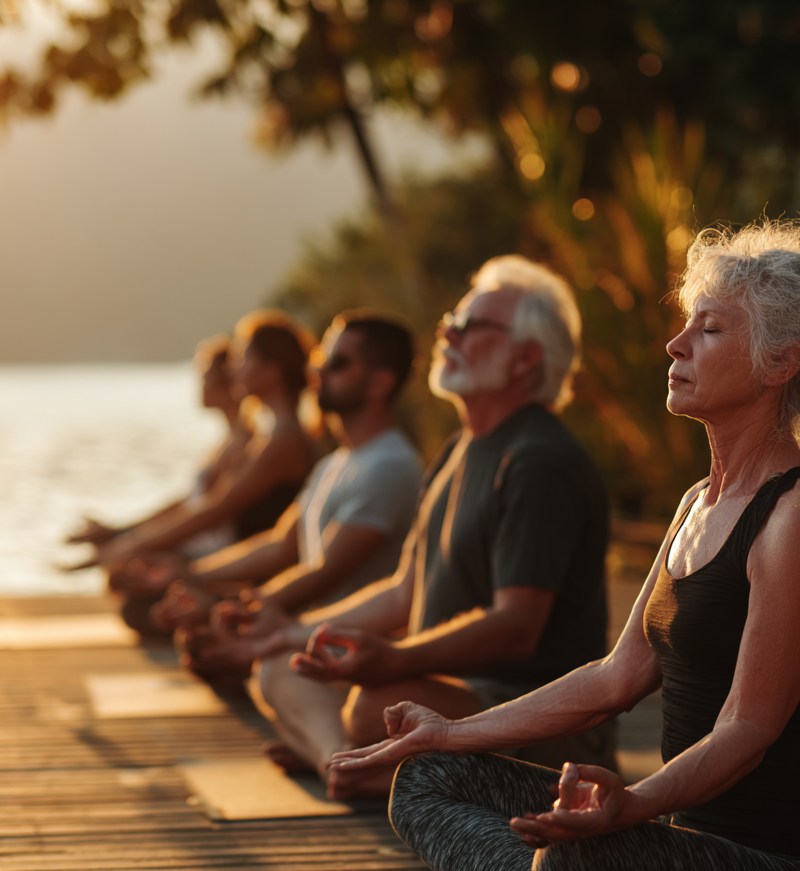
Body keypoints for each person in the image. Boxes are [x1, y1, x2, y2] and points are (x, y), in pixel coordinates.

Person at [326, 219, 800, 871]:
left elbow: (747, 729)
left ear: (780, 362)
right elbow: (614, 678)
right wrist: (447, 732)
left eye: (709, 330)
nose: (675, 345)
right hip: (682, 855)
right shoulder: (697, 504)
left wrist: (633, 806)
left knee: (580, 866)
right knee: (427, 781)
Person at [197, 255, 614, 796]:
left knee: (375, 705)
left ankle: (353, 762)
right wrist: (289, 632)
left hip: (533, 717)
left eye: (471, 326)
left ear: (525, 358)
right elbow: (403, 592)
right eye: (451, 322)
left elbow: (516, 624)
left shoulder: (539, 460)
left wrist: (396, 659)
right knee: (282, 664)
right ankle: (350, 764)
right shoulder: (457, 451)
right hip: (442, 695)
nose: (449, 334)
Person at [152, 312, 422, 640]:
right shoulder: (335, 462)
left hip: (349, 646)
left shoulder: (388, 466)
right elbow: (280, 545)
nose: (318, 370)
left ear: (380, 383)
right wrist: (190, 577)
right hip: (312, 636)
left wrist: (226, 609)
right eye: (320, 358)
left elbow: (324, 573)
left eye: (336, 362)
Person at [100, 310, 319, 621]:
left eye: (243, 358)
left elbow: (216, 509)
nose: (234, 368)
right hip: (240, 563)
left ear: (272, 370)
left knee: (141, 608)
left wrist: (130, 545)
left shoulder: (284, 440)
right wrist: (127, 538)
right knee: (138, 600)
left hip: (258, 574)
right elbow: (204, 504)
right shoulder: (271, 435)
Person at [66, 335, 252, 563]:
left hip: (212, 550)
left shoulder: (243, 443)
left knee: (122, 566)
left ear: (227, 380)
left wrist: (129, 545)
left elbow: (208, 512)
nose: (199, 383)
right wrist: (120, 532)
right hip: (197, 541)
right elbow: (188, 503)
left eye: (206, 375)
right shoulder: (226, 440)